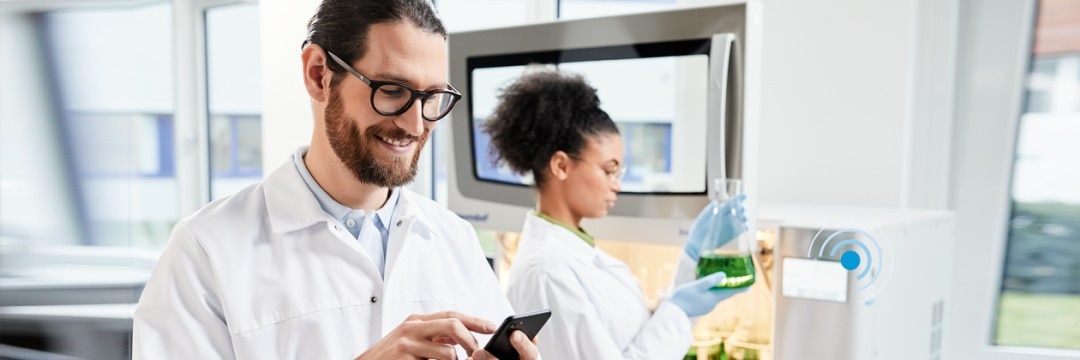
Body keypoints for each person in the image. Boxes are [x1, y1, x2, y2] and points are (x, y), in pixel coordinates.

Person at [133, 1, 538, 359]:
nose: (415, 124)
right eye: (393, 90)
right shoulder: (205, 251)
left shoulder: (455, 239)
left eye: (432, 97)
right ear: (318, 75)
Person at [484, 67, 749, 359]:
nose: (617, 185)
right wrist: (678, 310)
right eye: (609, 170)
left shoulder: (578, 255)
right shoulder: (547, 272)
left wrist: (692, 259)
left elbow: (638, 335)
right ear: (561, 166)